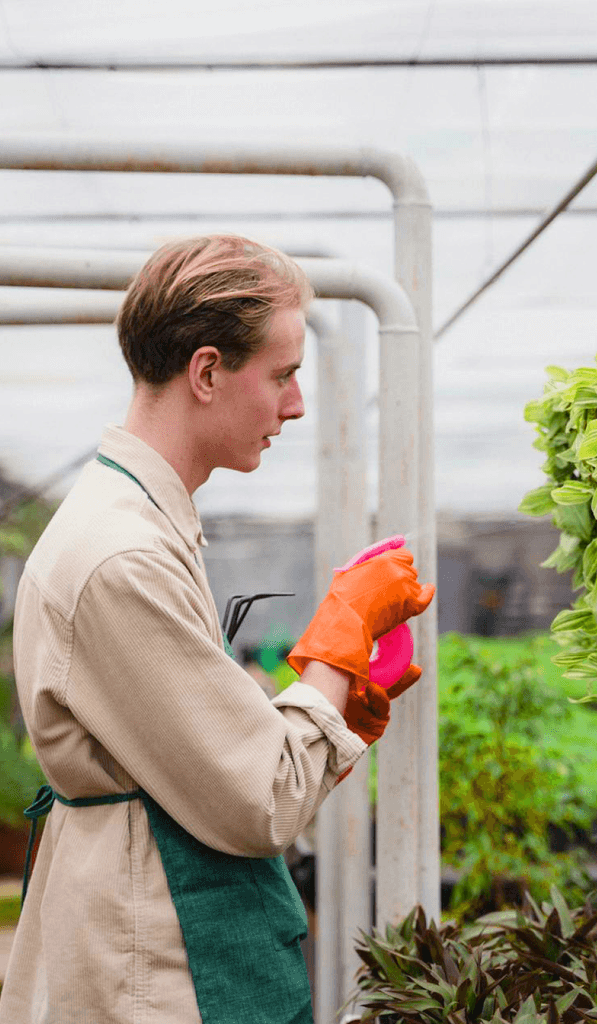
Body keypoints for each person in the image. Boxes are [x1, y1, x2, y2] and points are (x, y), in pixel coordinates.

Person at [0, 235, 434, 1024]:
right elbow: (259, 800)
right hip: (158, 968)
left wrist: (334, 706)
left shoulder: (141, 523)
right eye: (283, 375)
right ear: (206, 372)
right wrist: (343, 630)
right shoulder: (120, 556)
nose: (295, 405)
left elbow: (194, 755)